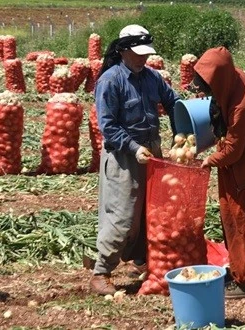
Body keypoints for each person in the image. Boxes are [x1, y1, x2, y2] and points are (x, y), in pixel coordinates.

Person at [89, 24, 180, 295]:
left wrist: (182, 133)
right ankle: (101, 272)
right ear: (123, 50)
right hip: (124, 157)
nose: (144, 58)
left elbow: (174, 102)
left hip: (153, 153)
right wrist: (133, 147)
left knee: (149, 212)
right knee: (122, 215)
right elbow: (108, 125)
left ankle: (141, 261)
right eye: (138, 54)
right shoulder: (110, 80)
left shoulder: (152, 78)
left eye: (146, 54)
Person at [192, 46, 245, 299]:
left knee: (244, 222)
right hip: (242, 166)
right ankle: (240, 268)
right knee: (234, 220)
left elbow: (233, 151)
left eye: (208, 86)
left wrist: (208, 160)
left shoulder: (242, 107)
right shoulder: (234, 77)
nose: (205, 91)